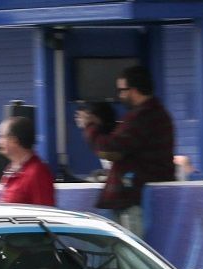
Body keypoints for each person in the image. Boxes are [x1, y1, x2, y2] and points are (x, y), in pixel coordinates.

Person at [75, 65, 174, 237]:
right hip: (140, 198)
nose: (119, 96)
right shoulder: (157, 115)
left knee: (132, 250)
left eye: (122, 90)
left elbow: (110, 149)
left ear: (134, 90)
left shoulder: (142, 117)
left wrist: (89, 127)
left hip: (133, 199)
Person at [0, 116, 55, 206]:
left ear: (14, 140)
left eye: (1, 137)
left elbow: (45, 210)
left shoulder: (37, 173)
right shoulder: (11, 169)